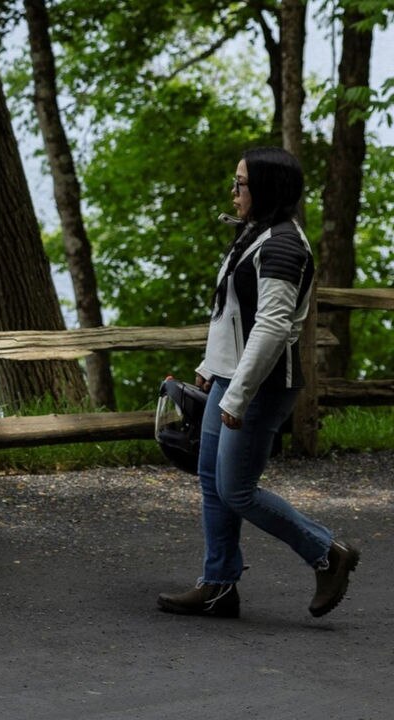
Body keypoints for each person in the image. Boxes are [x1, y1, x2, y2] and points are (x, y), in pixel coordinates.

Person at [157, 146, 359, 619]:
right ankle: (219, 585)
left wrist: (239, 394)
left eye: (241, 184)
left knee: (237, 490)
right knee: (212, 481)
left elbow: (271, 327)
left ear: (265, 188)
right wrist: (210, 368)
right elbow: (230, 314)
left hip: (261, 384)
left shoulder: (283, 245)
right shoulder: (255, 234)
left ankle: (328, 552)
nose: (234, 191)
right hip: (231, 378)